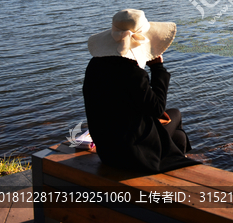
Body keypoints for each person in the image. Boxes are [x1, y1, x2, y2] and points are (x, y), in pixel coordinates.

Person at [82, 9, 199, 173]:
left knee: (177, 136)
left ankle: (176, 161)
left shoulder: (94, 66)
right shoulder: (133, 74)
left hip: (107, 152)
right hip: (133, 156)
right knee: (176, 118)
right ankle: (178, 174)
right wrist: (158, 69)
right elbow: (158, 108)